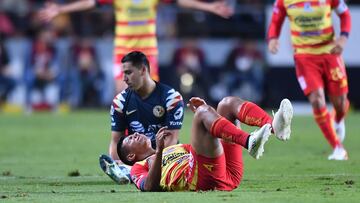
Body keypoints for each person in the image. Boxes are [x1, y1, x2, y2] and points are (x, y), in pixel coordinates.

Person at [38, 0, 234, 93]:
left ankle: (149, 147)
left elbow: (180, 1)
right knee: (122, 96)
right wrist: (61, 9)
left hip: (147, 54)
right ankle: (122, 150)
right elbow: (91, 2)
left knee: (148, 96)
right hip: (122, 52)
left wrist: (209, 7)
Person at [117, 96, 293, 191]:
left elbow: (204, 147)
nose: (137, 134)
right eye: (131, 138)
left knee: (226, 103)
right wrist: (203, 114)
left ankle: (274, 127)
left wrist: (210, 114)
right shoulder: (138, 167)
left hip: (227, 173)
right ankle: (249, 142)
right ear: (131, 155)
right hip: (201, 179)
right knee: (202, 114)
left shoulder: (173, 149)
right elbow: (149, 187)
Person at [267, 0, 351, 160]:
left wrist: (343, 38)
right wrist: (272, 38)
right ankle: (338, 148)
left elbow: (345, 14)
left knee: (340, 102)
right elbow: (276, 20)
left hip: (330, 52)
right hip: (304, 56)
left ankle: (338, 119)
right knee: (317, 100)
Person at [99, 51, 185, 184]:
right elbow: (116, 141)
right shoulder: (120, 102)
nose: (124, 79)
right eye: (123, 73)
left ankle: (131, 173)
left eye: (128, 72)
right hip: (137, 156)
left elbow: (171, 138)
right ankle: (126, 171)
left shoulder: (171, 98)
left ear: (143, 70)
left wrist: (153, 162)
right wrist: (118, 164)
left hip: (166, 155)